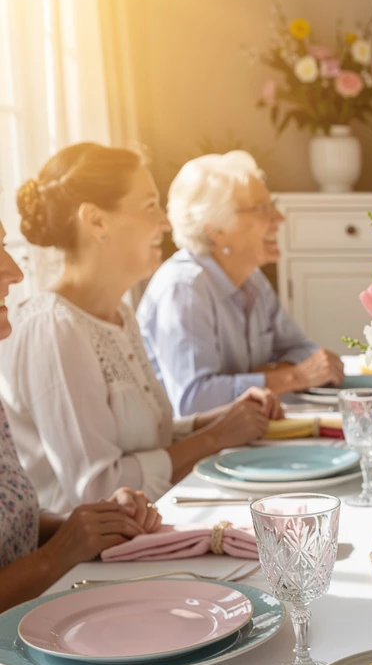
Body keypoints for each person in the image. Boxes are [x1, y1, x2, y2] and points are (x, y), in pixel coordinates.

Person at [0, 142, 281, 515]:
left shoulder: (120, 315)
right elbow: (98, 490)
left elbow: (144, 442)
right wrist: (214, 437)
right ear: (96, 221)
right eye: (150, 206)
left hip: (146, 531)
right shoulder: (53, 328)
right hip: (88, 567)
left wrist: (219, 419)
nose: (165, 224)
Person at [0, 216, 162, 612]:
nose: (15, 271)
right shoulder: (53, 323)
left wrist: (95, 523)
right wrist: (60, 554)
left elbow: (11, 531)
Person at [137, 151, 344, 416]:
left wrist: (256, 377)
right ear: (216, 231)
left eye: (273, 204)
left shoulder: (252, 279)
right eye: (262, 209)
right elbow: (193, 401)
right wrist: (291, 378)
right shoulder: (184, 289)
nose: (279, 218)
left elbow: (306, 352)